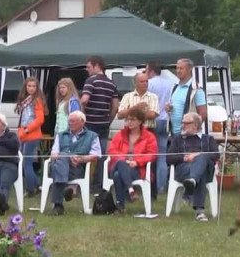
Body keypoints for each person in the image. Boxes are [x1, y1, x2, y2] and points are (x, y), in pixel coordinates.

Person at [166, 112, 220, 222]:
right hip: (184, 169)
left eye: (186, 123)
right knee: (201, 173)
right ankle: (199, 211)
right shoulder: (177, 139)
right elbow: (169, 159)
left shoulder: (208, 139)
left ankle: (191, 183)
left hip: (206, 168)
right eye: (182, 123)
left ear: (195, 125)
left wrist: (197, 155)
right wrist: (184, 158)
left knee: (202, 158)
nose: (182, 125)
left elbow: (216, 155)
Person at [48, 111, 101, 216]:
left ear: (82, 122)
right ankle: (66, 189)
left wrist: (81, 159)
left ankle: (58, 206)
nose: (70, 123)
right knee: (62, 157)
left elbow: (96, 155)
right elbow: (53, 154)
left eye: (73, 121)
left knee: (59, 166)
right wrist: (67, 156)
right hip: (59, 165)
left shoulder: (92, 136)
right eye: (69, 121)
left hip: (77, 167)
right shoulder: (61, 135)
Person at [80, 56, 120, 193]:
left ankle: (81, 184)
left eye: (89, 67)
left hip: (89, 123)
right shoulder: (111, 83)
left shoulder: (91, 81)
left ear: (97, 66)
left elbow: (85, 100)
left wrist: (80, 115)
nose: (87, 70)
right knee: (101, 156)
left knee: (83, 154)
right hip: (103, 124)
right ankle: (98, 186)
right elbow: (115, 107)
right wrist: (109, 120)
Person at [108, 107, 158, 212]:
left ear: (140, 121)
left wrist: (137, 162)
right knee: (120, 164)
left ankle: (120, 205)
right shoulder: (120, 135)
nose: (129, 122)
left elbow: (152, 154)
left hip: (137, 170)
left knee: (118, 175)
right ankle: (131, 190)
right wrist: (125, 160)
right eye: (128, 119)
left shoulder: (149, 137)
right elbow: (112, 151)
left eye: (132, 119)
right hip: (118, 166)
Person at [15, 77, 47, 197]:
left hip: (32, 135)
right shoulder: (26, 100)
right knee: (25, 162)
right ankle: (36, 186)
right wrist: (21, 130)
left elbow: (40, 119)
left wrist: (27, 130)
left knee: (26, 163)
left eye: (34, 86)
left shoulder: (36, 100)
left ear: (37, 88)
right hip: (24, 134)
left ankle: (30, 189)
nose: (31, 88)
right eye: (29, 86)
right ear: (25, 87)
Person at [146, 61, 174, 195]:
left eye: (146, 71)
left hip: (152, 120)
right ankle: (161, 186)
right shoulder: (169, 83)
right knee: (162, 155)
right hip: (165, 120)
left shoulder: (149, 84)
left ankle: (151, 185)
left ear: (151, 70)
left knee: (151, 154)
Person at [166, 58, 207, 136]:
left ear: (189, 70)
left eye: (181, 68)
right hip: (174, 133)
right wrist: (168, 108)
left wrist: (194, 129)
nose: (178, 71)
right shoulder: (175, 87)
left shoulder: (196, 89)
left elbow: (203, 113)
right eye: (177, 68)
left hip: (189, 135)